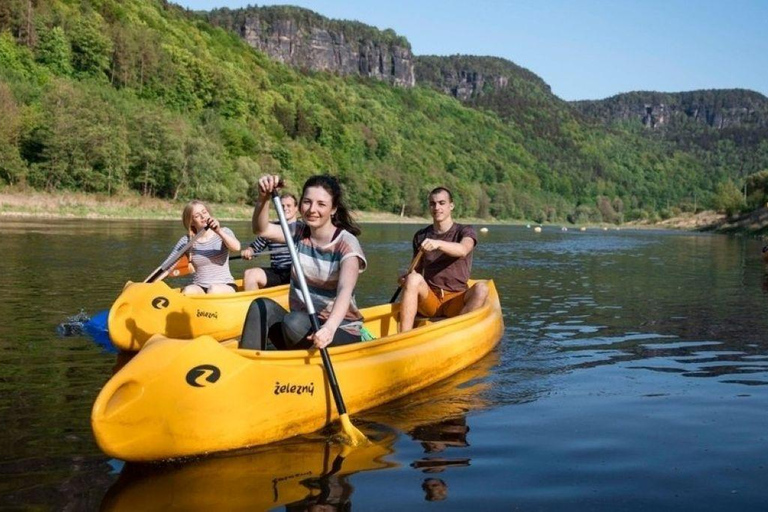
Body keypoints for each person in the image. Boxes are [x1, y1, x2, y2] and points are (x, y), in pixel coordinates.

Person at [240, 174, 367, 350]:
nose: (312, 209)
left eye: (321, 204)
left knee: (293, 322)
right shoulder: (298, 232)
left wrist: (329, 329)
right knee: (261, 306)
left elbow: (345, 290)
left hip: (339, 328)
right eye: (307, 202)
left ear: (333, 209)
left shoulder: (346, 243)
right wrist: (263, 198)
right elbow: (261, 229)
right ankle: (250, 359)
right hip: (301, 325)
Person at [398, 187, 488, 332]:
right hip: (430, 299)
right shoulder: (421, 236)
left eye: (441, 203)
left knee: (482, 288)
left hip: (456, 298)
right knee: (413, 279)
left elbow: (463, 250)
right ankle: (404, 336)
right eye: (432, 204)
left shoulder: (465, 231)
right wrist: (406, 279)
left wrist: (438, 244)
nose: (437, 208)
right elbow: (416, 271)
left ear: (451, 206)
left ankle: (459, 332)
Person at [163, 200, 241, 295]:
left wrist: (218, 231)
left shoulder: (224, 231)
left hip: (225, 285)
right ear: (191, 222)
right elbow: (167, 266)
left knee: (213, 290)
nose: (203, 216)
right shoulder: (187, 241)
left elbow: (236, 248)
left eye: (204, 212)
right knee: (188, 291)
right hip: (199, 286)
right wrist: (149, 284)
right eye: (197, 216)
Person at [240, 192, 298, 291]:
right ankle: (254, 301)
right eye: (282, 206)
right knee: (249, 274)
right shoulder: (270, 230)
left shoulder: (304, 229)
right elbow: (255, 248)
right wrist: (249, 251)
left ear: (296, 208)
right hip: (277, 273)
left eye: (289, 205)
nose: (285, 208)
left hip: (296, 273)